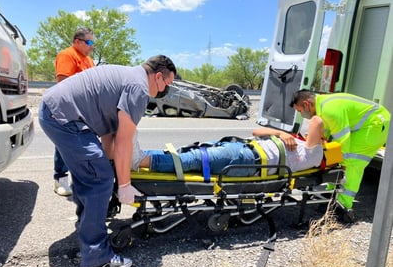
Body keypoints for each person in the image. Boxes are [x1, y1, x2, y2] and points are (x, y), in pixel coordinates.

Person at [38, 55, 177, 267]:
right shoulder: (139, 88)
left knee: (94, 172)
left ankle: (88, 225)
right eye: (167, 85)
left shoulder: (129, 77)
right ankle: (96, 258)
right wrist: (123, 185)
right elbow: (124, 142)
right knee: (99, 179)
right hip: (64, 117)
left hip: (56, 111)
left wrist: (109, 166)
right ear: (158, 76)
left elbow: (110, 136)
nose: (164, 92)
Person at [289, 89, 390, 219]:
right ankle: (331, 194)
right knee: (336, 158)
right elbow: (328, 133)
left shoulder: (329, 110)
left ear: (306, 104)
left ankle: (343, 205)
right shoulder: (323, 106)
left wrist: (343, 163)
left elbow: (343, 140)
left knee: (353, 162)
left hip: (376, 124)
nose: (301, 114)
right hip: (369, 123)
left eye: (300, 111)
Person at [131, 116, 325, 176]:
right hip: (242, 148)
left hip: (248, 160)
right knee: (185, 152)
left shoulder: (314, 155)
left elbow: (316, 120)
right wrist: (281, 133)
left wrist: (326, 135)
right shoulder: (297, 141)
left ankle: (137, 160)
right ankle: (131, 155)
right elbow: (257, 132)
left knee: (193, 159)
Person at [53, 27, 95, 196]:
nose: (92, 46)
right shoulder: (68, 55)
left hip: (85, 110)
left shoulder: (88, 60)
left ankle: (80, 179)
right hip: (69, 108)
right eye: (89, 42)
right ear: (78, 41)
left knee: (83, 146)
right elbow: (63, 83)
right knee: (65, 144)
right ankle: (60, 180)